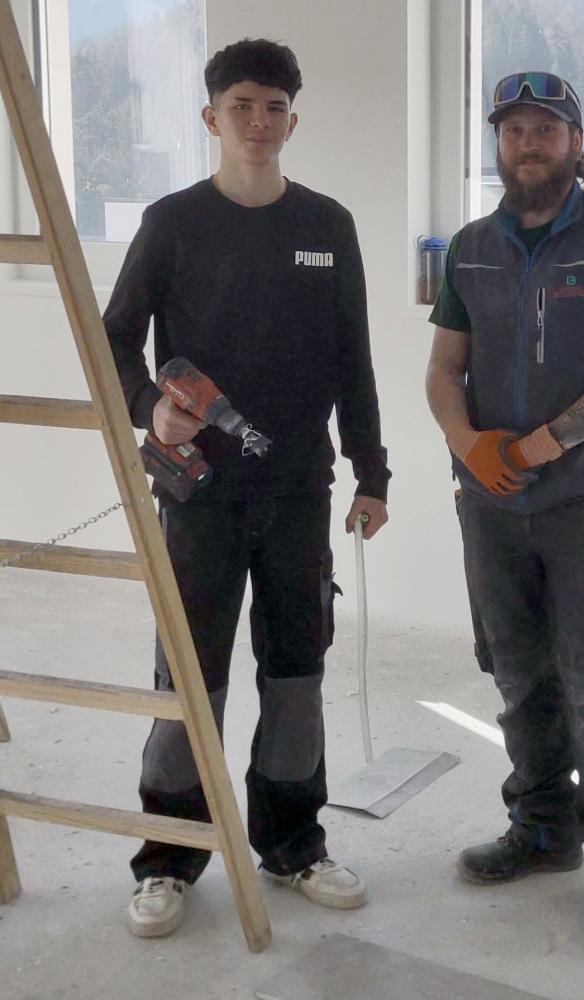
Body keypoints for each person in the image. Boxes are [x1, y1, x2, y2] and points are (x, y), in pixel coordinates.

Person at [104, 38, 390, 938]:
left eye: (274, 108)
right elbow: (115, 337)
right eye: (241, 107)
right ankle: (169, 856)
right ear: (211, 118)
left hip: (300, 490)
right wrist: (151, 407)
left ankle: (294, 844)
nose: (258, 122)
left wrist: (372, 472)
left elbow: (353, 358)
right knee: (189, 678)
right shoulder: (172, 222)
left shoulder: (327, 225)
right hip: (199, 498)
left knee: (297, 673)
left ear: (292, 121)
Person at [425, 72, 584, 947]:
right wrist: (469, 445)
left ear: (575, 142)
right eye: (515, 130)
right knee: (518, 675)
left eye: (547, 129)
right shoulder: (471, 247)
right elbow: (443, 368)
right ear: (498, 142)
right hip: (489, 509)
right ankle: (541, 829)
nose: (529, 144)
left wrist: (531, 449)